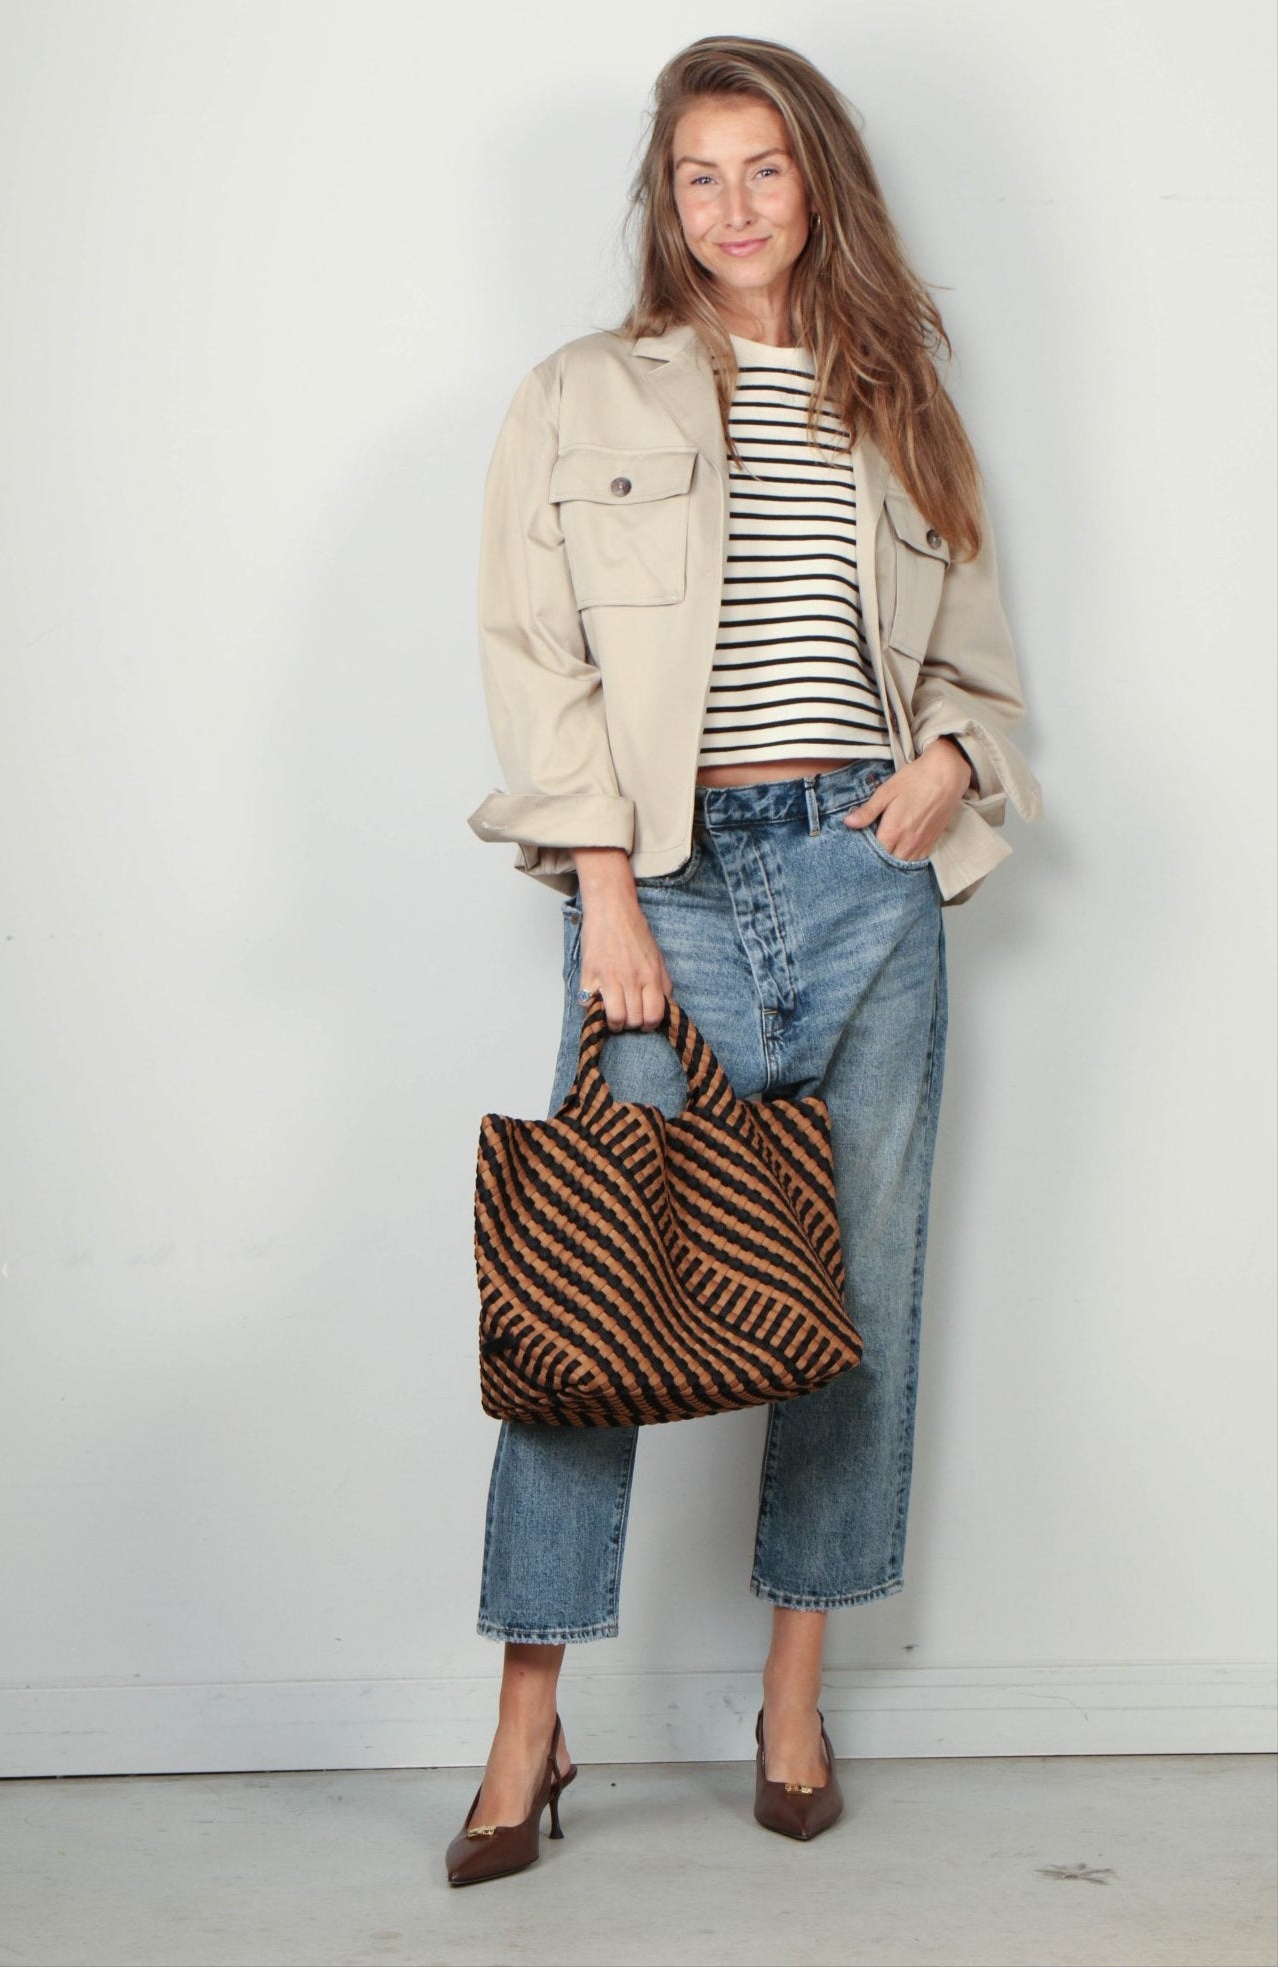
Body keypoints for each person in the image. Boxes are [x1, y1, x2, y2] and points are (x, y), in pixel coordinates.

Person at [449, 33, 1042, 1885]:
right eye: (697, 177)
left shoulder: (898, 396)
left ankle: (795, 1700)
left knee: (855, 1299)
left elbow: (977, 669)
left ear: (816, 182)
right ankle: (527, 1723)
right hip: (672, 887)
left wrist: (949, 768)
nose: (731, 208)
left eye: (762, 169)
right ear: (667, 200)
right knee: (591, 1300)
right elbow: (537, 661)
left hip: (870, 879)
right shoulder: (581, 392)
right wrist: (606, 889)